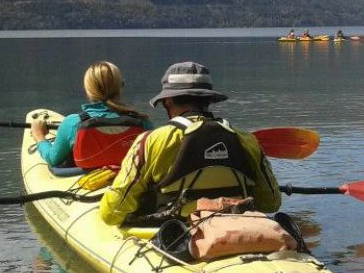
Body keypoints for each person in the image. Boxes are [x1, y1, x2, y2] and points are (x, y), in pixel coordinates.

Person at [100, 61, 282, 226]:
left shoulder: (151, 141)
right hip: (236, 229)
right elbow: (271, 203)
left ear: (167, 101)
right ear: (209, 100)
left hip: (173, 235)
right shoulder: (246, 140)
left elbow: (111, 214)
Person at [31, 61, 154, 168]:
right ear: (120, 87)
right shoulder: (143, 123)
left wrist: (39, 135)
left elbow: (52, 159)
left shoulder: (73, 123)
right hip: (131, 181)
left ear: (88, 89)